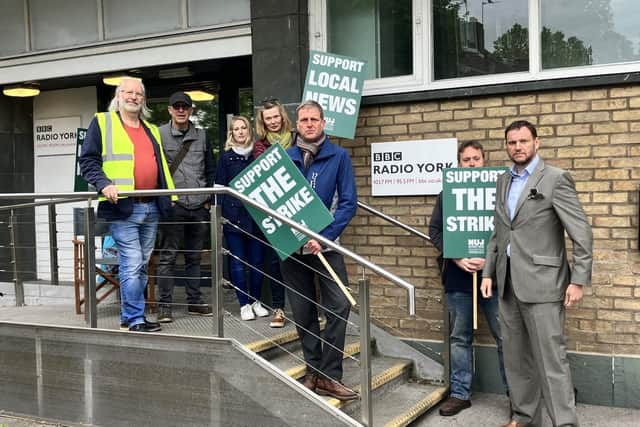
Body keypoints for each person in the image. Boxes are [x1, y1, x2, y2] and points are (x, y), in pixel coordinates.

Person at [480, 120, 593, 427]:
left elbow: (580, 231)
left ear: (537, 143)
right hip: (507, 283)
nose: (517, 146)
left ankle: (564, 422)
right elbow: (499, 231)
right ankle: (525, 417)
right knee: (516, 359)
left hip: (544, 284)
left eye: (523, 141)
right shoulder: (503, 180)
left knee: (550, 360)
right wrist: (489, 271)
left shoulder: (555, 179)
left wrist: (579, 279)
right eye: (512, 142)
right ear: (506, 146)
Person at [80, 77, 176, 333]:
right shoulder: (102, 121)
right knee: (132, 262)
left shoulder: (151, 129)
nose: (134, 97)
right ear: (118, 96)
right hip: (123, 207)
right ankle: (135, 319)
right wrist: (104, 184)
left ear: (143, 99)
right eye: (128, 92)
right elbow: (88, 161)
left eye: (139, 94)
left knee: (142, 263)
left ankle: (129, 315)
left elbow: (162, 168)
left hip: (151, 207)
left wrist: (170, 197)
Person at [280, 100, 358, 401]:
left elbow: (348, 202)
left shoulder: (339, 156)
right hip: (292, 248)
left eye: (314, 119)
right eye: (304, 120)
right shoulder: (284, 158)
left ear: (323, 123)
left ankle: (329, 375)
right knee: (302, 311)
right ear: (296, 125)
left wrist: (323, 237)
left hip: (325, 246)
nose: (309, 124)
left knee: (339, 305)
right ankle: (313, 371)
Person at [429, 140, 508, 416]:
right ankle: (460, 394)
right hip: (458, 280)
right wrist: (456, 257)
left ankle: (517, 399)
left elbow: (511, 234)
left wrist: (491, 261)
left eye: (476, 159)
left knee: (506, 338)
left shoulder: (501, 194)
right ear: (458, 163)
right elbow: (435, 231)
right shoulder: (447, 194)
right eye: (466, 159)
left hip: (495, 280)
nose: (471, 163)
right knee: (460, 338)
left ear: (484, 161)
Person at [156, 91, 216, 322]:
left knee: (194, 257)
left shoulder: (202, 135)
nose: (181, 110)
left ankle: (195, 302)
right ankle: (164, 307)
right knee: (168, 257)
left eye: (185, 107)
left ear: (191, 110)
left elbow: (210, 167)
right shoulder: (159, 134)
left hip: (199, 205)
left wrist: (209, 197)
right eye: (176, 106)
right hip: (174, 205)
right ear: (170, 110)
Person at [215, 115, 270, 321]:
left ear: (249, 131)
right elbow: (219, 188)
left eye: (243, 128)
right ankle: (244, 304)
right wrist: (218, 216)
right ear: (232, 133)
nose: (240, 132)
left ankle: (256, 301)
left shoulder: (258, 155)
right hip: (233, 217)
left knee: (256, 262)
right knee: (238, 262)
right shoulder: (226, 158)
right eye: (236, 129)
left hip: (256, 217)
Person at [253, 98, 295, 328]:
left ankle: (312, 308)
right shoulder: (260, 145)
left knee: (303, 262)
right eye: (268, 118)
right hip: (273, 211)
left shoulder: (297, 138)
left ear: (282, 116)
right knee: (275, 262)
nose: (273, 122)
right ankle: (279, 308)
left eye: (276, 117)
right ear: (263, 121)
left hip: (298, 207)